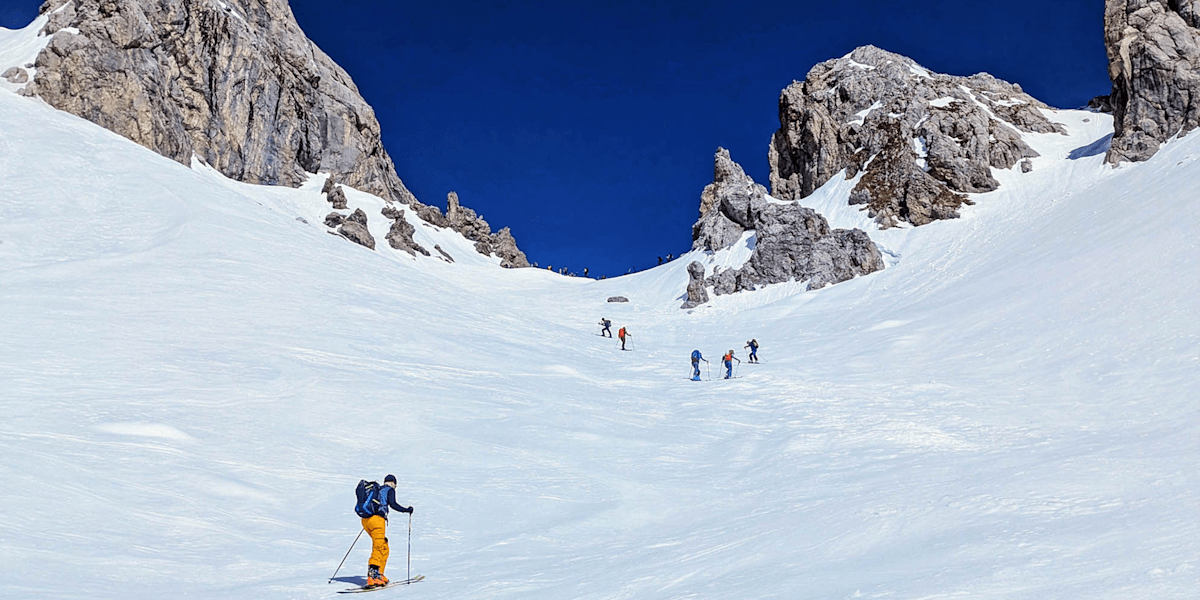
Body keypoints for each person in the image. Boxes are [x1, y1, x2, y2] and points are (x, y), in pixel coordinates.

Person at [363, 475, 414, 588]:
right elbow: (393, 504)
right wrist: (407, 510)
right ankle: (373, 576)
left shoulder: (377, 489)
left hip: (366, 521)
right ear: (393, 483)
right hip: (377, 521)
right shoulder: (389, 489)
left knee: (383, 545)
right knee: (378, 547)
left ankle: (379, 573)